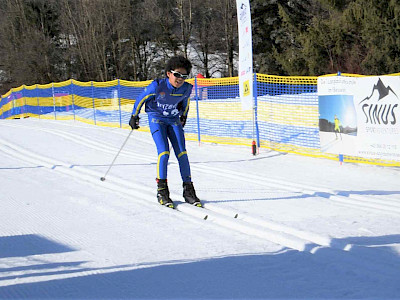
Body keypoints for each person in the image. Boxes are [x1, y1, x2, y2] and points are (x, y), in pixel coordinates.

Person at [129, 56, 202, 208]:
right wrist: (134, 116)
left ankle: (188, 190)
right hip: (157, 119)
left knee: (182, 153)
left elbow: (185, 102)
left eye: (184, 76)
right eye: (177, 74)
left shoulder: (187, 88)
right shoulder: (157, 86)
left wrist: (184, 116)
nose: (180, 79)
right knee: (164, 153)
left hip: (173, 119)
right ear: (169, 73)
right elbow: (140, 99)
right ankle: (162, 190)